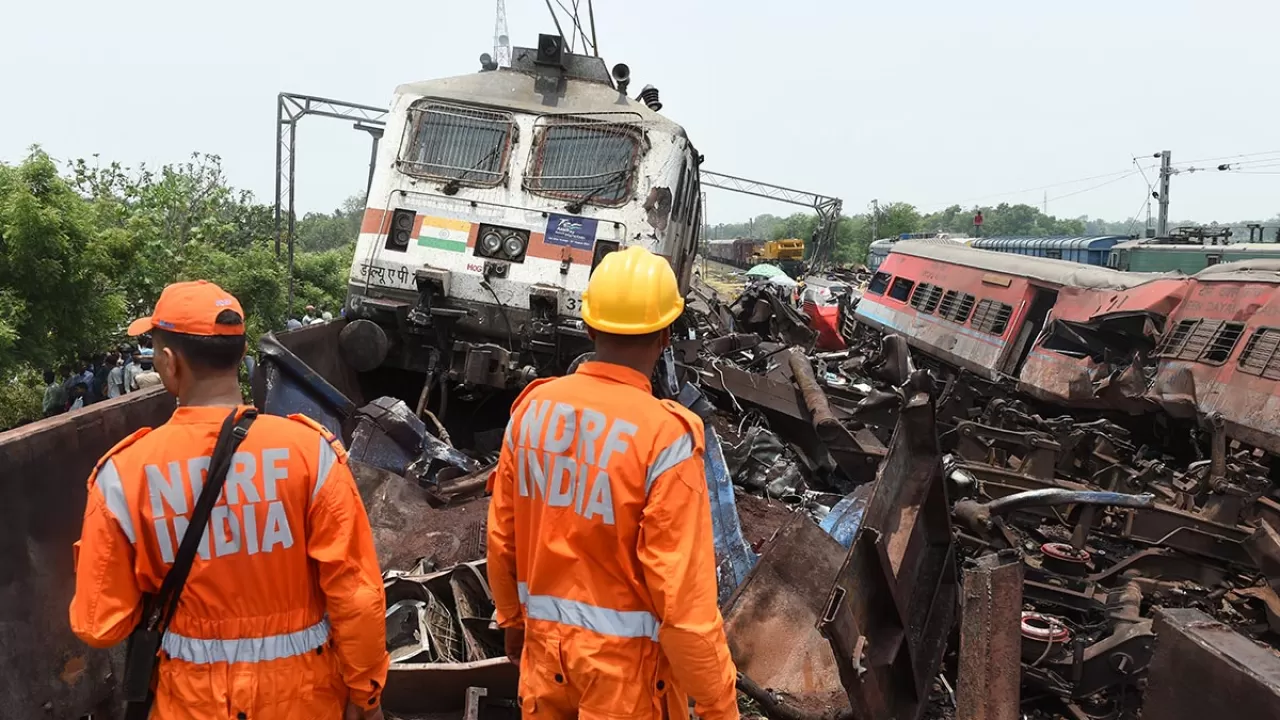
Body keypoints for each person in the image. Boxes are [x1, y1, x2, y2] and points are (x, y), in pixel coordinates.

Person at [69, 280, 389, 720]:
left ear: (167, 362)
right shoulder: (310, 454)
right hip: (303, 701)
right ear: (241, 356)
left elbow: (99, 624)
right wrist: (365, 694)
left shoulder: (123, 476)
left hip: (191, 704)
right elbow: (356, 595)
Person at [487, 246, 739, 720]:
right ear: (665, 336)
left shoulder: (532, 412)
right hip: (625, 681)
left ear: (587, 327)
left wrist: (514, 622)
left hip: (545, 660)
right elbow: (683, 600)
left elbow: (503, 537)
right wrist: (719, 704)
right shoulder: (667, 436)